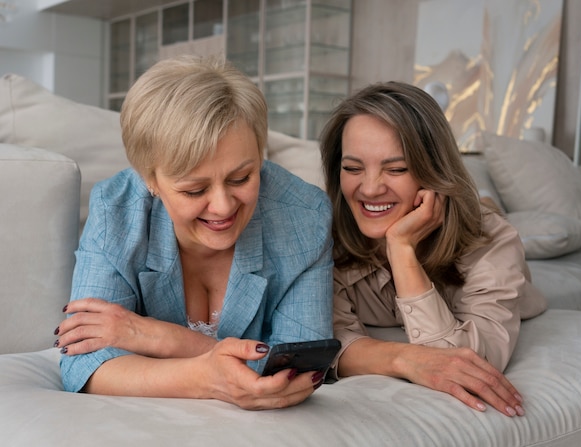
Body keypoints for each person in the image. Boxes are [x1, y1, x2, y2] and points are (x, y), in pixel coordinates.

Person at [55, 55, 334, 410]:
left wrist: (157, 336)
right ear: (150, 179)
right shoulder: (116, 211)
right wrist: (205, 377)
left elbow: (299, 370)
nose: (222, 206)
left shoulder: (304, 218)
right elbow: (84, 366)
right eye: (194, 190)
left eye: (241, 178)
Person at [319, 81, 547, 417]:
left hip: (486, 250)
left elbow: (468, 368)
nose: (369, 188)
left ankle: (480, 199)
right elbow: (332, 343)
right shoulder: (324, 238)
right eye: (353, 168)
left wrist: (401, 249)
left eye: (396, 169)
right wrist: (404, 359)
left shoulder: (492, 240)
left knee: (483, 213)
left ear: (433, 171)